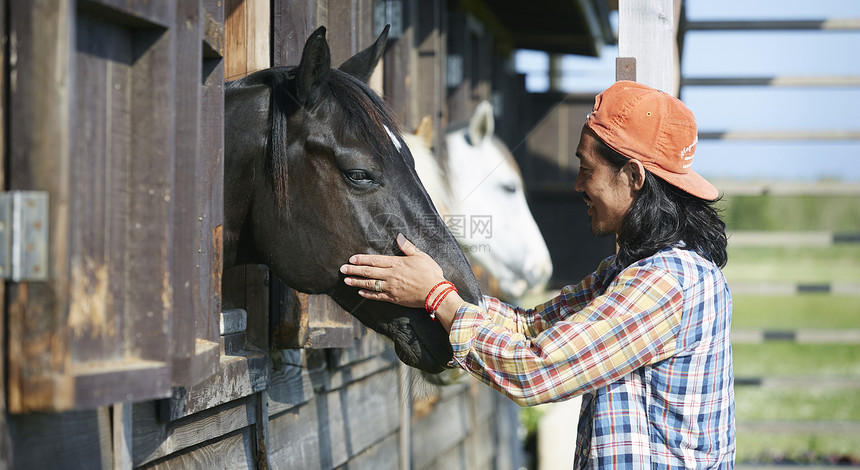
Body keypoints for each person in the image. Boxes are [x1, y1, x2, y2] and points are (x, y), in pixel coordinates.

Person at [340, 80, 734, 468]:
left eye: (587, 168)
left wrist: (437, 297)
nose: (578, 184)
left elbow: (536, 369)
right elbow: (531, 327)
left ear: (633, 177)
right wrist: (438, 283)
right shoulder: (629, 270)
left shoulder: (664, 284)